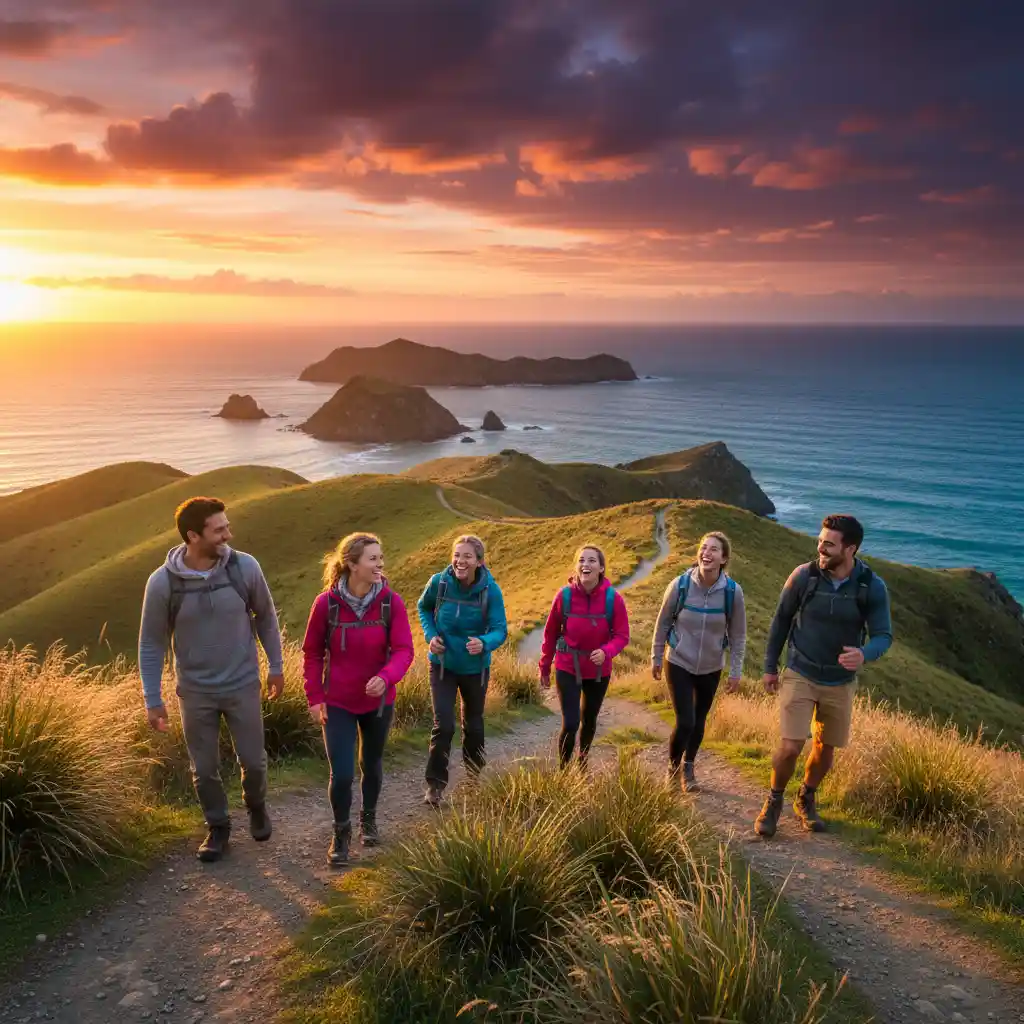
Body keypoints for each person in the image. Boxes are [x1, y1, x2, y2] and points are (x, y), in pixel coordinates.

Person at [139, 497, 284, 864]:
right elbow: (152, 642)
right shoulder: (163, 583)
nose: (228, 534)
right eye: (219, 529)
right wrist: (152, 697)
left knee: (253, 761)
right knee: (203, 770)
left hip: (243, 684)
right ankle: (217, 827)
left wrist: (276, 666)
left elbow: (266, 617)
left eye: (227, 526)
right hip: (196, 692)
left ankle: (256, 806)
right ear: (193, 535)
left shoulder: (244, 567)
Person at [755, 514, 893, 837]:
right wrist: (769, 667)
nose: (820, 548)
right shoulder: (803, 577)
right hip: (800, 671)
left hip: (840, 681)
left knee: (825, 749)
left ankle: (806, 796)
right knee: (790, 746)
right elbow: (780, 622)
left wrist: (864, 654)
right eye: (820, 541)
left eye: (829, 544)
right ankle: (774, 800)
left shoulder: (871, 587)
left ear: (850, 549)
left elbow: (883, 635)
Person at [302, 532, 414, 866]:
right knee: (343, 773)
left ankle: (369, 819)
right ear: (351, 564)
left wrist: (386, 676)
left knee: (372, 763)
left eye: (381, 557)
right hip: (337, 702)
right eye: (372, 559)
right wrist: (314, 696)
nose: (380, 564)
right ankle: (341, 832)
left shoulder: (390, 602)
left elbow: (405, 650)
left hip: (379, 702)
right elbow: (311, 653)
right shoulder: (326, 604)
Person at [650, 531, 747, 792]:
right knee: (686, 721)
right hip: (679, 661)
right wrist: (656, 657)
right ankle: (673, 767)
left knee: (700, 718)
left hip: (711, 666)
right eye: (703, 548)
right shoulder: (680, 585)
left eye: (714, 549)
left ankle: (689, 766)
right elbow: (662, 624)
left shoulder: (732, 593)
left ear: (723, 558)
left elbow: (738, 636)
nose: (706, 553)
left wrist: (735, 671)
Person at [418, 534, 508, 806]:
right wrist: (430, 636)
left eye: (467, 556)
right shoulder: (439, 583)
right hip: (443, 666)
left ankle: (473, 777)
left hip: (475, 669)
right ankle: (435, 786)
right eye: (457, 555)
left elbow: (500, 630)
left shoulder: (490, 590)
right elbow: (423, 608)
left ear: (479, 561)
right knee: (443, 726)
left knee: (474, 726)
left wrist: (483, 643)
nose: (460, 561)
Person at [539, 545, 630, 769]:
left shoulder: (613, 599)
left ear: (601, 568)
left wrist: (607, 651)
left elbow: (622, 636)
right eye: (581, 560)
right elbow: (550, 633)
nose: (585, 565)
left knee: (589, 721)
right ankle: (563, 772)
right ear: (576, 566)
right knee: (571, 723)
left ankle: (582, 761)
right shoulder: (564, 596)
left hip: (598, 671)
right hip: (567, 666)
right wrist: (544, 666)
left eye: (591, 561)